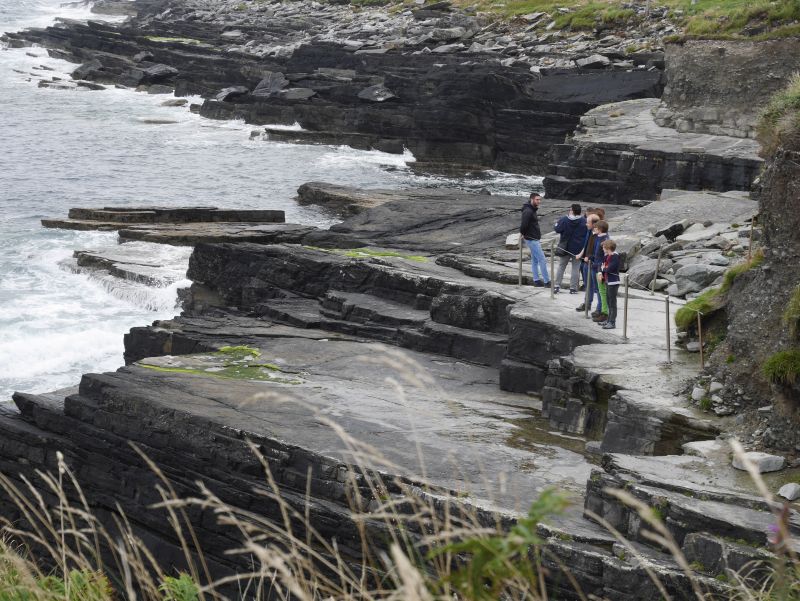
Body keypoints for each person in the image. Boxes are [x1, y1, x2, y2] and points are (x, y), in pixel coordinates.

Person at [552, 203, 586, 294]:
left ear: (572, 211)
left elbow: (557, 229)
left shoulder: (564, 219)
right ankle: (573, 288)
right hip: (578, 249)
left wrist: (556, 223)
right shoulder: (584, 221)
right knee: (575, 268)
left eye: (570, 209)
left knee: (561, 266)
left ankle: (556, 286)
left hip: (565, 247)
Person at [520, 193, 549, 287]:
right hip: (532, 239)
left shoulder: (531, 209)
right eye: (537, 199)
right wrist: (524, 234)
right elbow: (523, 225)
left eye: (540, 200)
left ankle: (536, 280)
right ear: (531, 199)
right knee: (542, 259)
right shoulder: (528, 211)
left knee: (535, 260)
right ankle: (547, 281)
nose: (539, 201)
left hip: (533, 238)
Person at [574, 212, 599, 311]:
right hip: (585, 262)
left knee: (597, 288)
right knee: (587, 284)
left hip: (594, 264)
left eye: (588, 222)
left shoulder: (600, 235)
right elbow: (586, 244)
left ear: (594, 224)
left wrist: (590, 257)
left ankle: (600, 309)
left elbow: (599, 252)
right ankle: (587, 304)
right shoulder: (589, 231)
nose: (586, 224)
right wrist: (581, 254)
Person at [598, 239, 621, 329]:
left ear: (608, 248)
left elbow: (610, 269)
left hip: (613, 282)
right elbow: (602, 266)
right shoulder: (607, 256)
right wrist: (602, 270)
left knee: (612, 303)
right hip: (607, 281)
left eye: (604, 247)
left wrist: (604, 268)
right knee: (608, 301)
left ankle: (612, 322)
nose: (602, 249)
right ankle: (608, 320)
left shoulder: (615, 256)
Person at [590, 220, 610, 322]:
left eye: (596, 228)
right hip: (595, 265)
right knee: (597, 290)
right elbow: (595, 252)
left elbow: (604, 256)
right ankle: (599, 309)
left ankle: (602, 311)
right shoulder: (597, 237)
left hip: (599, 267)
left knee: (601, 291)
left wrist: (601, 270)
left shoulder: (605, 240)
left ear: (600, 229)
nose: (594, 229)